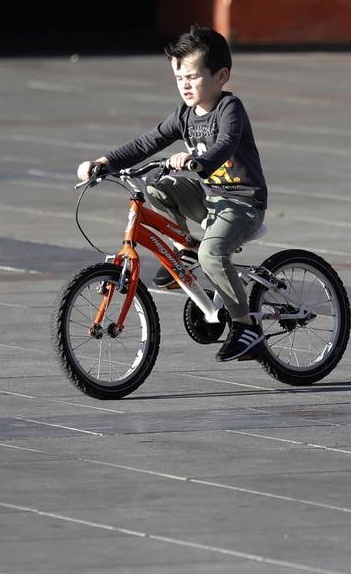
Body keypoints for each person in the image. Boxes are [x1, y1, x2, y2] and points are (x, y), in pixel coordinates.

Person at [77, 25, 269, 363]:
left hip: (241, 201)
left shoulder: (230, 109)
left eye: (193, 77)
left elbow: (225, 145)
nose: (185, 85)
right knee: (155, 185)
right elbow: (147, 142)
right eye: (179, 77)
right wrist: (104, 162)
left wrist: (197, 160)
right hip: (209, 197)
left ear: (221, 76)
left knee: (213, 255)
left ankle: (245, 325)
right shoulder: (183, 114)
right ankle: (184, 250)